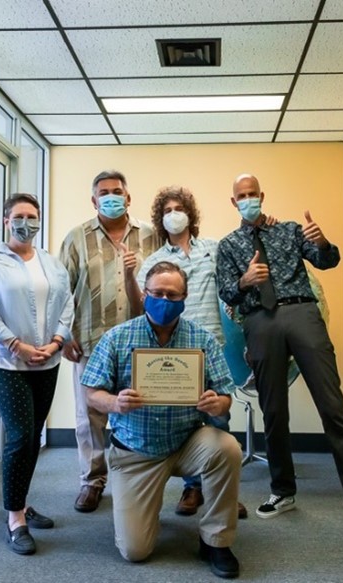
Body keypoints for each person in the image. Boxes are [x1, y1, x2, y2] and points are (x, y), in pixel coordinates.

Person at [216, 174, 343, 547]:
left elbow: (328, 261)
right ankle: (283, 490)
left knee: (333, 407)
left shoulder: (290, 230)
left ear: (263, 195)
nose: (248, 200)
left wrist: (322, 241)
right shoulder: (228, 246)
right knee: (274, 411)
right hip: (260, 320)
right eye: (241, 196)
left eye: (252, 194)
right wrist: (245, 280)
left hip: (302, 314)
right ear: (234, 202)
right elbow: (226, 291)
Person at [82, 261, 242, 579]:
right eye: (158, 293)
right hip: (136, 451)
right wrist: (115, 402)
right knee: (135, 551)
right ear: (144, 295)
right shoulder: (117, 338)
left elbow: (226, 398)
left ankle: (215, 540)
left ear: (184, 298)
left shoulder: (203, 340)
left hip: (186, 442)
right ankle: (144, 513)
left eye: (173, 295)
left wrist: (216, 404)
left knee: (227, 447)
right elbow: (90, 392)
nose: (165, 301)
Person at [126, 185, 247, 519]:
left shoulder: (214, 248)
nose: (173, 214)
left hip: (212, 345)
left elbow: (234, 281)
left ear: (190, 215)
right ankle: (193, 488)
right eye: (166, 211)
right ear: (160, 220)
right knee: (188, 419)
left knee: (218, 416)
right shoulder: (154, 261)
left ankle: (222, 490)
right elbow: (141, 306)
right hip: (175, 348)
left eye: (179, 208)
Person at [0, 193, 73, 555]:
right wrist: (17, 346)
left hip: (47, 360)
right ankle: (15, 517)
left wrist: (57, 341)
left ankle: (22, 501)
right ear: (5, 220)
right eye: (19, 216)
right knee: (19, 434)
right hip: (5, 361)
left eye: (32, 216)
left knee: (33, 437)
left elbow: (67, 304)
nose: (26, 222)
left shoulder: (51, 263)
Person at [59, 170, 161, 513]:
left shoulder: (151, 236)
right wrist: (64, 336)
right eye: (104, 192)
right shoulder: (76, 238)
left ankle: (137, 478)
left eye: (118, 191)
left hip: (141, 341)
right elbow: (62, 291)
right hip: (91, 339)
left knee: (139, 409)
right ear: (93, 200)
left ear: (129, 198)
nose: (111, 196)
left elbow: (164, 284)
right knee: (90, 414)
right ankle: (92, 480)